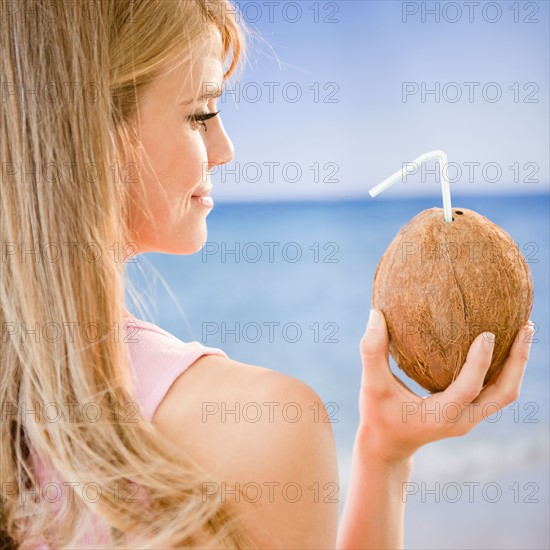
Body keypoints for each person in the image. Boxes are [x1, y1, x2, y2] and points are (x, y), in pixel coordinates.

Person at [0, 0, 535, 548]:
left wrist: (384, 449)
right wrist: (385, 453)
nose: (225, 150)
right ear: (84, 134)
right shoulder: (261, 430)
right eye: (201, 113)